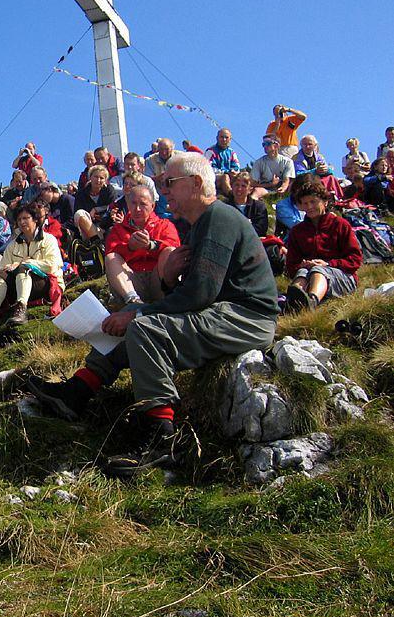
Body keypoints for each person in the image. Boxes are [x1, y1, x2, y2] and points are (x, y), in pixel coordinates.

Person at [28, 153, 279, 478]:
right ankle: (77, 392)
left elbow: (200, 294)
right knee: (138, 320)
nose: (165, 190)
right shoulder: (201, 224)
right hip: (226, 313)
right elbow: (192, 295)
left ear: (197, 183)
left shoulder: (219, 217)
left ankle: (162, 436)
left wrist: (139, 314)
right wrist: (160, 284)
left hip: (247, 318)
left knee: (145, 327)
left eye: (169, 183)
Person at [0, 201, 63, 332]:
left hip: (44, 284)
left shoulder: (48, 240)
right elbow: (3, 267)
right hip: (18, 285)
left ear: (35, 220)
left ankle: (21, 309)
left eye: (26, 218)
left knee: (23, 268)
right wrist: (14, 267)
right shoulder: (12, 245)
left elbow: (52, 266)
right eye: (19, 219)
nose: (22, 222)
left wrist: (25, 263)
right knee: (1, 274)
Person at [284, 180, 361, 312]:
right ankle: (294, 301)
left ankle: (311, 301)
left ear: (324, 202)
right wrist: (303, 265)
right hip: (307, 274)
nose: (309, 207)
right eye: (305, 203)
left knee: (318, 270)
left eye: (313, 202)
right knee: (303, 272)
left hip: (342, 276)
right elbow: (291, 265)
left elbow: (355, 260)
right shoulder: (297, 231)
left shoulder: (340, 224)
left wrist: (328, 264)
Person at [103, 185, 180, 306]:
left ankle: (169, 297)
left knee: (170, 251)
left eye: (143, 204)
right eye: (133, 203)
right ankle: (133, 301)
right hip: (132, 280)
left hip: (158, 279)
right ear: (128, 205)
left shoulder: (165, 225)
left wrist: (151, 246)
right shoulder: (118, 229)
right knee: (111, 257)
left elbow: (173, 245)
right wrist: (130, 247)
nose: (137, 208)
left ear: (152, 206)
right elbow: (111, 252)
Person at [74, 165, 118, 241]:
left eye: (101, 178)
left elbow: (113, 207)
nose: (98, 180)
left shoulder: (109, 190)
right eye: (96, 177)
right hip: (87, 227)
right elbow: (77, 213)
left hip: (104, 226)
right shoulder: (81, 194)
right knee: (79, 213)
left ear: (105, 180)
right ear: (90, 177)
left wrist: (96, 209)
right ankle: (96, 241)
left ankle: (97, 242)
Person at [294, 135, 343, 199]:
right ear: (301, 145)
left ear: (315, 145)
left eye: (310, 144)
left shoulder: (319, 157)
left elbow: (330, 171)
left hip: (318, 178)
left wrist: (326, 169)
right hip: (305, 182)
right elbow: (299, 174)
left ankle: (338, 198)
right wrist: (315, 171)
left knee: (331, 178)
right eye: (304, 144)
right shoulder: (297, 158)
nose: (307, 146)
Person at [249, 135, 295, 200]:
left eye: (268, 143)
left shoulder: (287, 161)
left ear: (277, 145)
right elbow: (253, 183)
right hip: (265, 189)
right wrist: (270, 184)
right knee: (256, 192)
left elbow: (286, 180)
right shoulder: (259, 162)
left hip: (283, 190)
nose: (265, 146)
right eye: (263, 144)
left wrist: (283, 188)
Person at [223, 171, 268, 237]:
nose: (239, 189)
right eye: (236, 185)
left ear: (250, 190)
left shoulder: (259, 207)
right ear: (232, 187)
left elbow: (261, 229)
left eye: (243, 186)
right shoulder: (224, 206)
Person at [206, 128, 240, 194]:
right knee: (225, 177)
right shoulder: (210, 151)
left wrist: (233, 171)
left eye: (226, 137)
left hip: (230, 176)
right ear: (217, 138)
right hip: (214, 178)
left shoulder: (231, 152)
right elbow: (208, 168)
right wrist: (226, 172)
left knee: (244, 176)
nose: (224, 139)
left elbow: (237, 166)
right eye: (222, 137)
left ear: (230, 139)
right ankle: (231, 195)